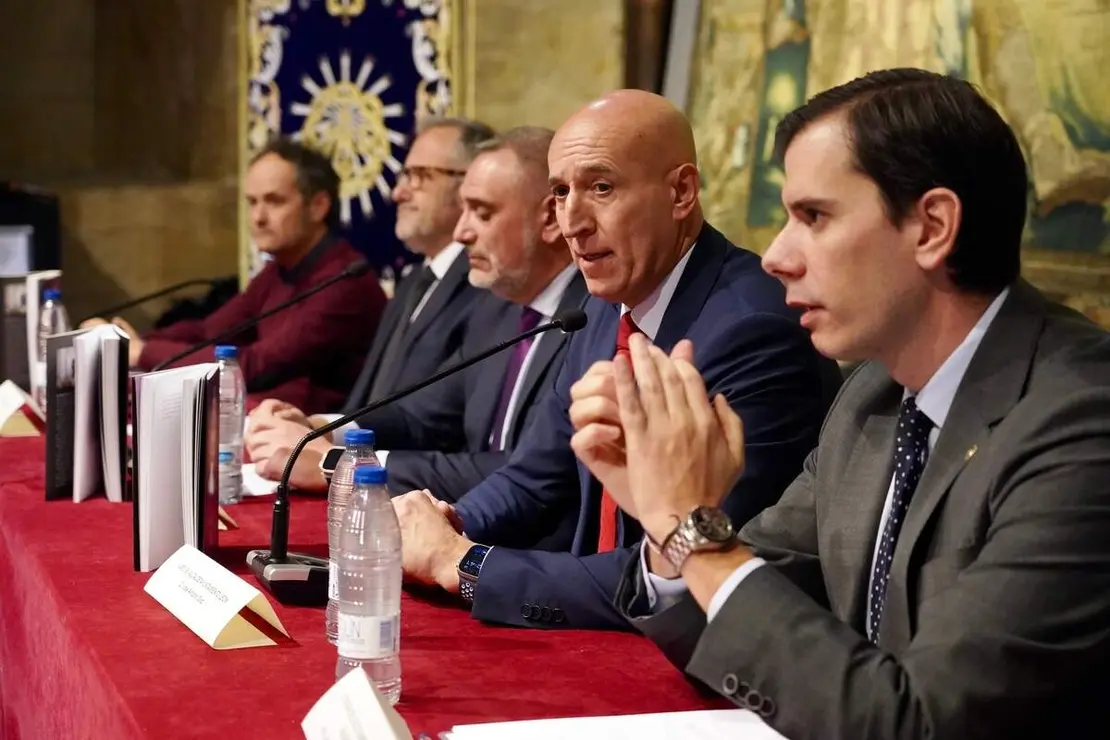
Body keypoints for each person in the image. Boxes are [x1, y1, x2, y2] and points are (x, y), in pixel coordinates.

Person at [569, 69, 1110, 738]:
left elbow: (919, 724)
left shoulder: (1083, 423)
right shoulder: (871, 394)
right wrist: (665, 527)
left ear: (932, 227)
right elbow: (745, 612)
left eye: (813, 217)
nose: (775, 256)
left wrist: (692, 527)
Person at [390, 90, 843, 631]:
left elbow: (689, 566)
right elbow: (536, 476)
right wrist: (443, 524)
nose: (572, 222)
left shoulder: (755, 330)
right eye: (561, 192)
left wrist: (464, 565)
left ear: (681, 192)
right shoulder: (604, 309)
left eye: (601, 187)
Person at [247, 127, 587, 503]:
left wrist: (339, 465)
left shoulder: (590, 319)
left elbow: (526, 471)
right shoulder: (499, 309)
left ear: (550, 219)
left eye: (482, 213)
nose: (462, 233)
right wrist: (319, 429)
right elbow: (422, 416)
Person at [82, 138, 386, 412]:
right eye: (252, 202)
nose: (258, 217)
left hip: (312, 438)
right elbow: (210, 331)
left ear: (318, 206)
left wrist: (142, 352)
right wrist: (130, 342)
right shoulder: (280, 269)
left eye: (274, 201)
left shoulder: (345, 282)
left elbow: (254, 366)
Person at [245, 117, 494, 447]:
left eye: (420, 176)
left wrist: (326, 441)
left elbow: (433, 419)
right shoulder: (414, 282)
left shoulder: (486, 286)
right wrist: (318, 426)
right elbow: (369, 399)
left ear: (471, 184)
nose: (399, 192)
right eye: (404, 175)